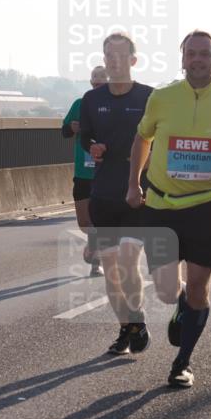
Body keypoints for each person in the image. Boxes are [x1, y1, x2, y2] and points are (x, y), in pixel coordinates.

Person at [127, 30, 211, 388]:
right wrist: (133, 184)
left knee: (200, 287)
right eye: (191, 54)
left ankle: (182, 362)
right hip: (160, 205)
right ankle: (180, 301)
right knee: (166, 290)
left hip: (204, 206)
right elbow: (142, 138)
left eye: (204, 54)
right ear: (182, 59)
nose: (197, 59)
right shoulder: (162, 98)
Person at [79, 33, 154, 355]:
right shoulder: (91, 99)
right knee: (111, 271)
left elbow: (161, 137)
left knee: (128, 262)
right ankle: (127, 329)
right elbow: (84, 136)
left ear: (133, 60)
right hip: (103, 194)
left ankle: (137, 318)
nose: (114, 61)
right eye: (109, 55)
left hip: (136, 194)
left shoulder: (149, 97)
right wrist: (92, 146)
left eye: (121, 56)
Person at [61, 65, 109, 277]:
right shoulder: (80, 104)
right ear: (90, 82)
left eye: (102, 77)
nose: (97, 80)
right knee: (84, 222)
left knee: (100, 220)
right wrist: (71, 128)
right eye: (94, 77)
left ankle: (96, 262)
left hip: (105, 172)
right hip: (82, 173)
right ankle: (94, 245)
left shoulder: (113, 107)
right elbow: (64, 131)